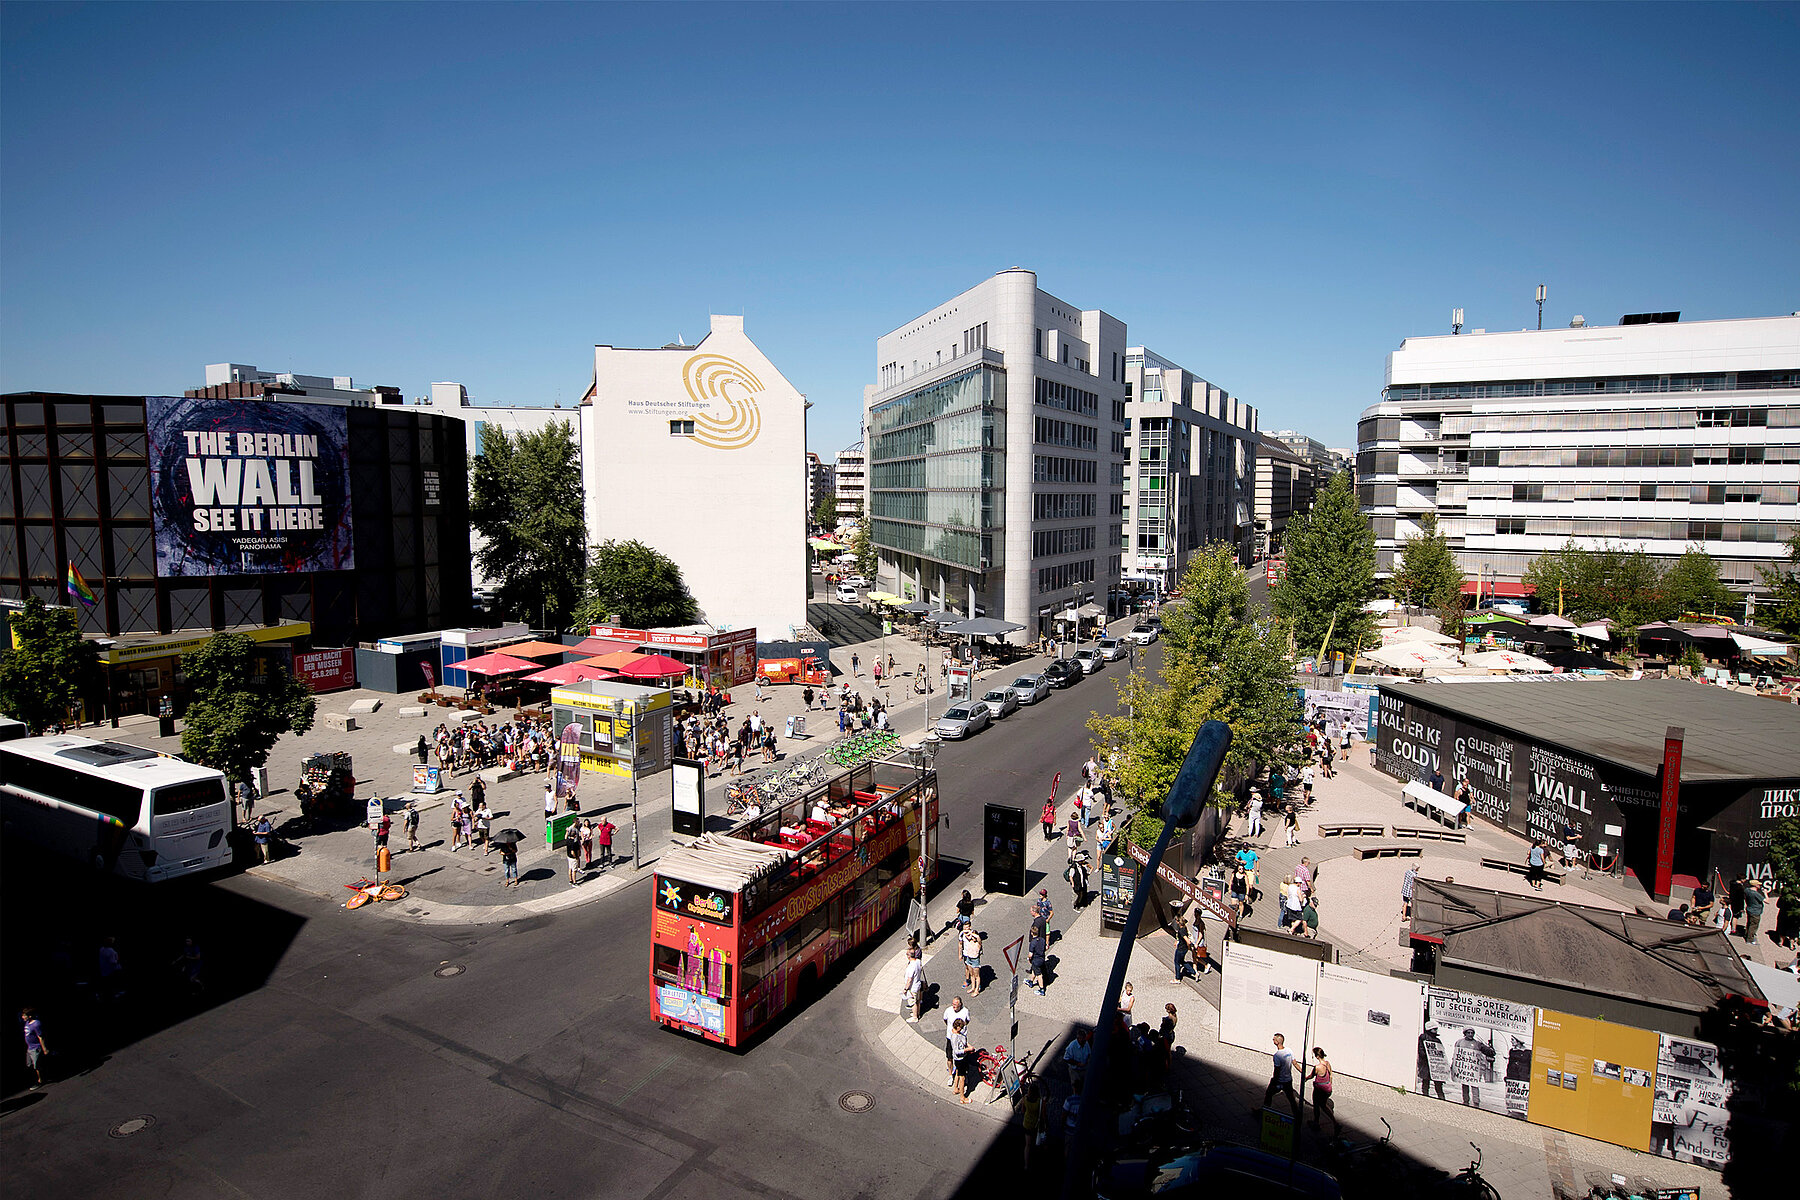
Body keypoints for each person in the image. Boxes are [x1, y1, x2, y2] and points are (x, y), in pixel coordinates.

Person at [1450, 1027, 1496, 1107]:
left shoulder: (1477, 1043)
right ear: (1465, 1033)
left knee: (1474, 1085)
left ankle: (1476, 1102)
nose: (1470, 1034)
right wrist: (1453, 1065)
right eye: (1468, 1033)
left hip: (1473, 1070)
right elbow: (1456, 1055)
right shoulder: (1459, 1042)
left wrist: (1491, 1051)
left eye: (1472, 1033)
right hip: (1463, 1069)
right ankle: (1466, 1101)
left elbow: (1488, 1051)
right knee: (1464, 1085)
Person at [1260, 1033, 1299, 1116]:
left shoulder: (1277, 1056)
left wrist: (1274, 1081)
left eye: (1274, 1039)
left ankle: (1264, 1111)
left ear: (1277, 1042)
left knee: (1268, 1094)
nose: (1272, 1040)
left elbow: (1277, 1070)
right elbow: (1295, 1063)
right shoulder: (1289, 1050)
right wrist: (1303, 1072)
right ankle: (1297, 1115)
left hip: (1279, 1080)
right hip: (1288, 1080)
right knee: (1291, 1098)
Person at [1306, 1047, 1338, 1136]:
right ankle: (1335, 1123)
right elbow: (1331, 1074)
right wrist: (1329, 1084)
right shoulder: (1327, 1064)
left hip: (1319, 1089)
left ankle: (1317, 1123)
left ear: (1317, 1056)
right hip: (1327, 1088)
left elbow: (1311, 1076)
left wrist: (1305, 1078)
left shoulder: (1317, 1067)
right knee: (1323, 1105)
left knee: (1317, 1105)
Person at [943, 996, 971, 1086]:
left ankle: (964, 1074)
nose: (953, 1006)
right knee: (949, 1057)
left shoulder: (965, 1011)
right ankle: (951, 1075)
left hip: (962, 1038)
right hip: (950, 1038)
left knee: (964, 1058)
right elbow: (945, 1020)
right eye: (953, 1004)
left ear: (960, 1004)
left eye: (955, 1004)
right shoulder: (948, 1010)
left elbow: (967, 1021)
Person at [21, 1008, 49, 1088]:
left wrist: (44, 1049)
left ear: (29, 1016)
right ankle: (38, 1078)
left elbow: (40, 1037)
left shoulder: (36, 1024)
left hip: (35, 1047)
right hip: (29, 1048)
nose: (22, 1017)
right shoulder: (27, 1023)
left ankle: (40, 1081)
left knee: (36, 1066)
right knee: (29, 1065)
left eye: (24, 1015)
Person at [1063, 1027, 1091, 1093]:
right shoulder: (1072, 1046)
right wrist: (1077, 1063)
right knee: (1076, 1086)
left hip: (1084, 1068)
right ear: (1079, 1038)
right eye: (1083, 1039)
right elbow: (1066, 1058)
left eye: (1085, 1039)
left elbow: (1089, 1053)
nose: (1085, 1041)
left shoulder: (1086, 1044)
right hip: (1075, 1070)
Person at [951, 1017, 972, 1104]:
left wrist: (969, 1046)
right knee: (962, 1078)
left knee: (957, 1073)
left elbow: (963, 1042)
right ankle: (962, 1097)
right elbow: (956, 1051)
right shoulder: (955, 1037)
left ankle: (956, 1088)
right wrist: (967, 1050)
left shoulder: (955, 1033)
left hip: (958, 1060)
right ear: (958, 1027)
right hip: (960, 1059)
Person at [903, 946, 925, 1021]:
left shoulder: (911, 967)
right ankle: (917, 1013)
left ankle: (915, 1017)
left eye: (907, 954)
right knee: (918, 1000)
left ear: (909, 956)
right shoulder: (918, 961)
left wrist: (905, 989)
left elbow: (909, 979)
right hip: (918, 984)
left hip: (912, 987)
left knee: (913, 1002)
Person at [961, 925, 984, 995]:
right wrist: (969, 933)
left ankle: (977, 990)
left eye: (974, 937)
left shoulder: (978, 943)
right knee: (972, 975)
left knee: (977, 976)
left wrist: (973, 934)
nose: (973, 938)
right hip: (969, 959)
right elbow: (964, 933)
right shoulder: (970, 941)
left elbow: (978, 938)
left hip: (975, 960)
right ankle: (973, 987)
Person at [1743, 879, 1766, 943]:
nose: (1760, 885)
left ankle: (1746, 934)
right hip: (1755, 912)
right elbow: (1767, 901)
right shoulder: (1756, 894)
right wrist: (1765, 893)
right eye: (1758, 884)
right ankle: (1750, 939)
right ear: (1755, 885)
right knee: (1753, 926)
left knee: (1749, 923)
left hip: (1749, 909)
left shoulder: (1747, 890)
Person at [1027, 925, 1047, 995]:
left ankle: (1041, 989)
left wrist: (1029, 959)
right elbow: (1045, 948)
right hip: (1042, 958)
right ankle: (1031, 982)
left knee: (1039, 975)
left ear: (1032, 933)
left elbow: (1030, 955)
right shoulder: (1042, 940)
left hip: (1036, 960)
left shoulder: (1033, 943)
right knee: (1034, 970)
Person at [1172, 915, 1193, 980]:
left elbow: (1188, 941)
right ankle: (1194, 972)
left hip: (1181, 949)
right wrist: (1176, 941)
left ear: (1178, 921)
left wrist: (1189, 947)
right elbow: (1179, 937)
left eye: (1176, 920)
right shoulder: (1184, 927)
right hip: (1184, 948)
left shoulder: (1181, 931)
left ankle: (1177, 978)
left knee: (1177, 962)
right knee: (1182, 961)